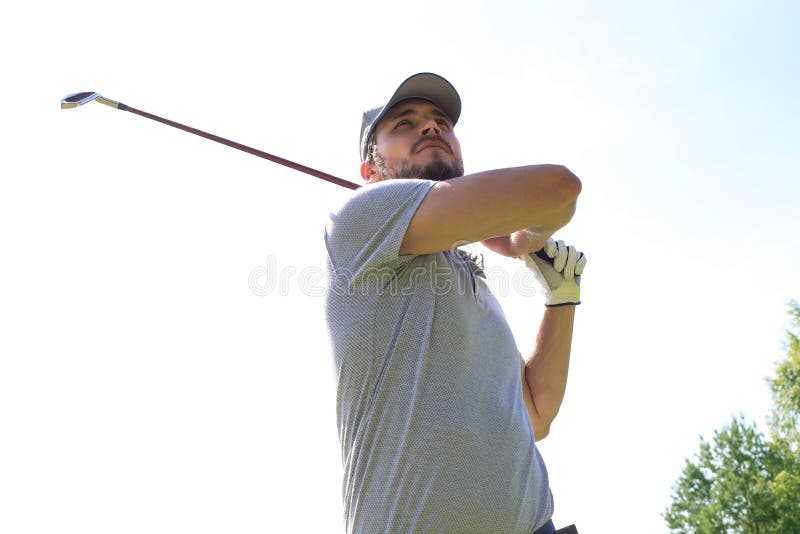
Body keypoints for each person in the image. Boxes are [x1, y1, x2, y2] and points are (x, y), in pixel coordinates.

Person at [324, 73, 585, 534]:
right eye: (405, 123)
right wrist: (518, 236)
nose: (430, 128)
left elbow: (536, 415)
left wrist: (559, 297)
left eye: (441, 121)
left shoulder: (470, 282)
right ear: (370, 172)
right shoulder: (360, 218)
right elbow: (558, 188)